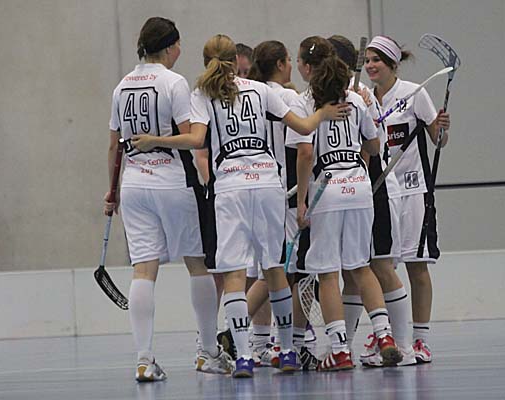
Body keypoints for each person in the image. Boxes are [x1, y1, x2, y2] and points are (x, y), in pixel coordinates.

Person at [131, 34, 349, 378]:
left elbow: (196, 140)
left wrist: (153, 141)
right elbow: (303, 126)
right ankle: (287, 351)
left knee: (234, 273)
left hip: (231, 187)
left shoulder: (203, 93)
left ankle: (244, 356)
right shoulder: (260, 90)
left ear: (207, 62)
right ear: (236, 60)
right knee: (274, 268)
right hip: (267, 184)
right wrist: (324, 112)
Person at [104, 17, 233, 382]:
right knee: (197, 263)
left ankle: (144, 359)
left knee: (143, 270)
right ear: (169, 47)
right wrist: (158, 141)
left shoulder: (121, 86)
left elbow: (114, 146)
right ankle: (208, 352)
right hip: (172, 182)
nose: (180, 51)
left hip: (133, 185)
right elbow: (193, 138)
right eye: (178, 45)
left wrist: (112, 190)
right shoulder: (173, 83)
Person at [287, 36, 400, 371]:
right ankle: (385, 335)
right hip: (360, 187)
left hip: (328, 189)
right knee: (361, 266)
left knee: (327, 274)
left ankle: (338, 349)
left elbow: (305, 154)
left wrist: (302, 201)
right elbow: (375, 146)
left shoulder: (305, 102)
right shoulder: (356, 98)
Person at [327, 35, 418, 367]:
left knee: (381, 267)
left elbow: (371, 148)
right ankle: (344, 348)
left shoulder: (361, 98)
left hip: (375, 190)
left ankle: (404, 346)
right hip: (354, 194)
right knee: (353, 273)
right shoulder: (334, 98)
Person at [364, 35, 450, 363]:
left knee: (416, 264)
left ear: (392, 64)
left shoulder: (414, 93)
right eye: (367, 60)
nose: (370, 66)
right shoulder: (364, 98)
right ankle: (387, 333)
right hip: (380, 192)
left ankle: (420, 340)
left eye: (376, 60)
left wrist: (442, 127)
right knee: (382, 266)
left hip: (414, 191)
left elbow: (438, 140)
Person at [247, 39, 320, 370]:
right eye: (288, 60)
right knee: (292, 270)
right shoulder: (288, 99)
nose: (292, 65)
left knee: (274, 267)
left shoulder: (253, 95)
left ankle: (249, 335)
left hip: (264, 189)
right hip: (289, 194)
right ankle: (288, 341)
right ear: (279, 64)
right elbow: (304, 146)